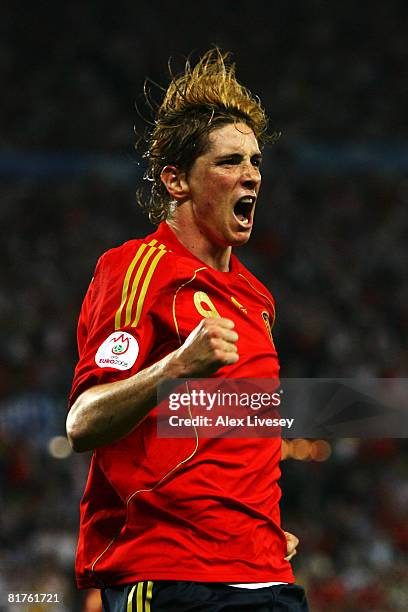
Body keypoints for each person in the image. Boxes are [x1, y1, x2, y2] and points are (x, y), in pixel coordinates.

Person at [67, 48, 308, 611]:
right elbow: (82, 423)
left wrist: (260, 525)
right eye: (229, 162)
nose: (251, 174)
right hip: (172, 576)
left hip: (265, 573)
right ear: (176, 180)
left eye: (255, 162)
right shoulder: (137, 268)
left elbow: (234, 435)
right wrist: (176, 366)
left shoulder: (257, 298)